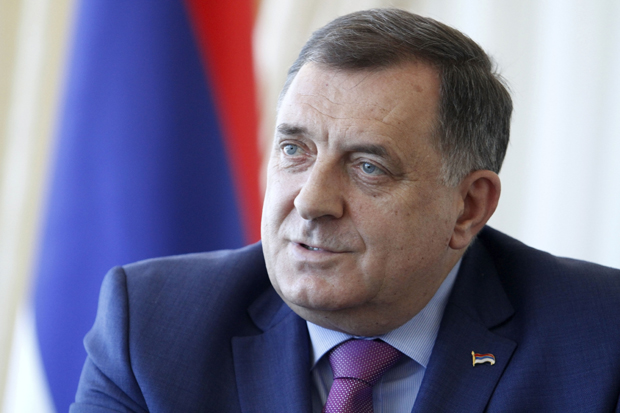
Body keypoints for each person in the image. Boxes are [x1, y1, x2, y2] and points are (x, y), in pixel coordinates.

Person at [71, 8, 620, 413]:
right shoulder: (151, 325)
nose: (311, 201)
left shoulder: (601, 342)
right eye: (294, 149)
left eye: (368, 167)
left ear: (468, 208)